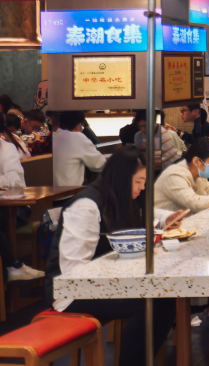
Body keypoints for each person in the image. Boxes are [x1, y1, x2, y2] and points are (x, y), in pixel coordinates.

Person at [46, 147, 183, 362]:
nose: (142, 187)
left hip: (106, 282)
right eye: (138, 181)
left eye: (144, 182)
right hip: (71, 291)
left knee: (163, 298)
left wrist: (166, 218)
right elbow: (73, 271)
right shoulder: (86, 205)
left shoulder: (118, 195)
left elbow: (145, 213)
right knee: (152, 303)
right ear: (122, 177)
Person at [52, 110, 107, 186]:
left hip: (49, 191)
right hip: (69, 192)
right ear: (78, 126)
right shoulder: (78, 137)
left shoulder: (53, 136)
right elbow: (99, 164)